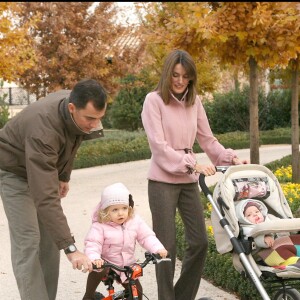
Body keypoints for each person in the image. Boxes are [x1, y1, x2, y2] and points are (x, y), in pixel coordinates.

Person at [141, 49, 248, 300]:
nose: (179, 81)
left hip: (188, 182)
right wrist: (192, 165)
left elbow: (208, 140)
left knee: (199, 242)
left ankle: (181, 297)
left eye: (185, 76)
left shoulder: (194, 101)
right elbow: (159, 146)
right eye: (175, 75)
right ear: (168, 74)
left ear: (191, 78)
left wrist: (231, 158)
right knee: (165, 247)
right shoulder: (153, 100)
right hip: (162, 182)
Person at [0, 78, 107, 300]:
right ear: (71, 108)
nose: (95, 125)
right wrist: (70, 248)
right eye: (90, 119)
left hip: (39, 165)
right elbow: (45, 198)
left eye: (99, 119)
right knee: (28, 241)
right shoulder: (43, 129)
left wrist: (63, 175)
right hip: (13, 171)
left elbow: (73, 139)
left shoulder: (76, 108)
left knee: (50, 240)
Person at [82, 182, 168, 300]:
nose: (121, 213)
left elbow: (146, 236)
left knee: (136, 292)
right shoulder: (100, 226)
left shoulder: (134, 221)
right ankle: (88, 296)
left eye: (124, 208)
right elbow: (93, 244)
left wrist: (158, 249)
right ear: (106, 211)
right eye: (115, 210)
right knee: (99, 270)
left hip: (126, 266)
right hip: (107, 264)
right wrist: (95, 259)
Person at [236, 199, 300, 270]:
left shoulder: (269, 218)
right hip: (265, 252)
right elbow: (251, 237)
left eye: (257, 211)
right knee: (279, 250)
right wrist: (263, 238)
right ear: (244, 219)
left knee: (295, 238)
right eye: (249, 215)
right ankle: (295, 262)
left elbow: (283, 223)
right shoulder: (247, 229)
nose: (255, 214)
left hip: (282, 242)